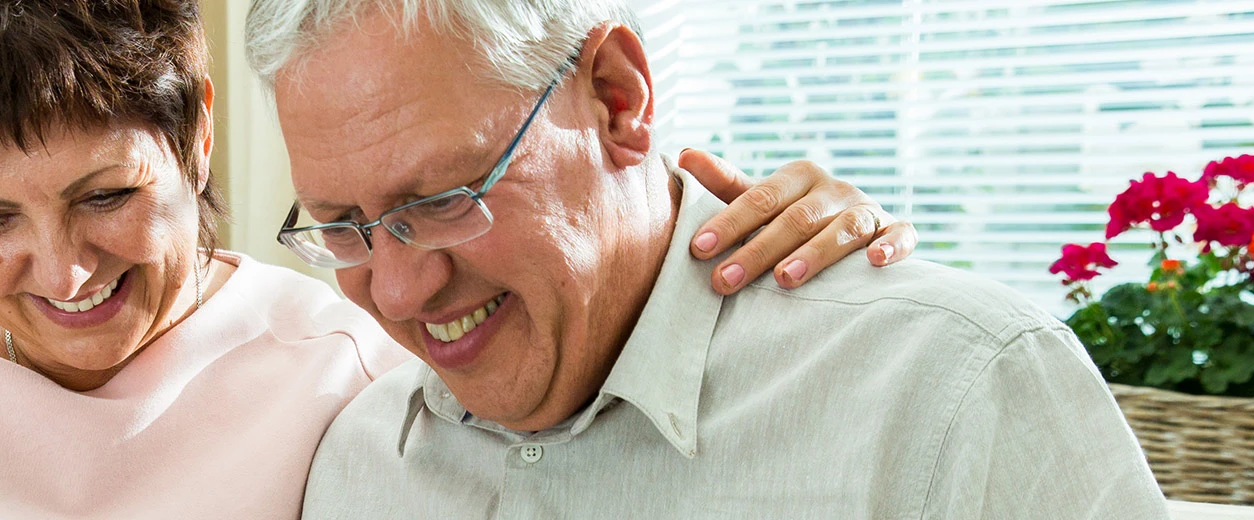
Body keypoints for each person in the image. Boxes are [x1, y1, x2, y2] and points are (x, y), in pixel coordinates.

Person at [0, 0, 914, 517]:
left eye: (106, 197)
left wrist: (798, 224)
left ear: (196, 139)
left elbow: (583, 319)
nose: (61, 269)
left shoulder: (350, 353)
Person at [247, 1, 1172, 518]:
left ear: (617, 98)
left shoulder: (955, 391)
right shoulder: (356, 463)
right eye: (343, 225)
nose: (401, 289)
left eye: (445, 200)